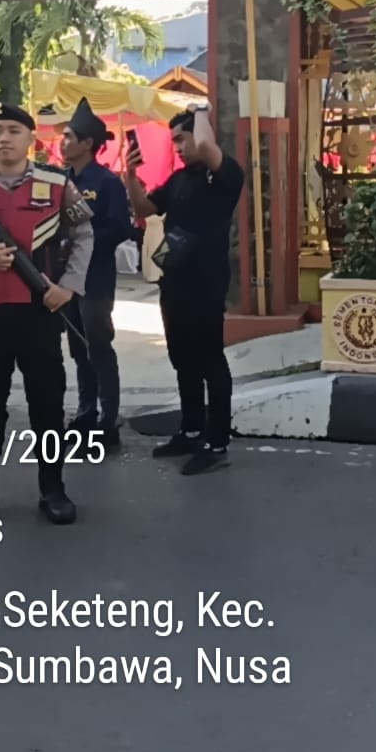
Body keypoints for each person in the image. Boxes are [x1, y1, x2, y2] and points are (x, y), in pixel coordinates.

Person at [0, 103, 94, 523]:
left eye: (13, 130)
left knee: (47, 405)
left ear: (30, 140)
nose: (4, 138)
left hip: (39, 311)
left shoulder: (57, 183)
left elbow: (84, 234)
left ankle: (53, 489)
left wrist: (68, 287)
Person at [123, 105, 244, 476]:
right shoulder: (178, 180)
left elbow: (207, 146)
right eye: (173, 139)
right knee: (182, 360)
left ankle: (216, 442)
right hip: (174, 280)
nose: (177, 146)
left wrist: (202, 111)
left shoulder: (225, 175)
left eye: (182, 138)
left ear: (201, 133)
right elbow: (144, 209)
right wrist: (130, 175)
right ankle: (191, 431)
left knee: (210, 362)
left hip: (206, 284)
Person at [59, 98, 133, 448]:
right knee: (78, 348)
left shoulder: (106, 183)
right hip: (66, 279)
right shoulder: (60, 181)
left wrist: (82, 242)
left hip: (96, 278)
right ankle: (85, 412)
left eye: (69, 137)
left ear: (88, 143)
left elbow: (120, 228)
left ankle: (108, 419)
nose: (63, 143)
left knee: (99, 346)